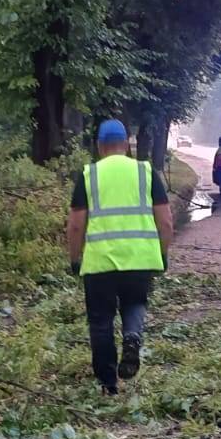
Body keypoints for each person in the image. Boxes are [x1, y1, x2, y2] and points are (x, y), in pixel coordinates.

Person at [65, 120, 174, 395]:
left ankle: (108, 384)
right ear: (126, 145)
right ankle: (132, 337)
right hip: (139, 259)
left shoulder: (89, 175)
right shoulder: (145, 171)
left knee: (101, 321)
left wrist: (75, 259)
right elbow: (165, 221)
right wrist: (163, 253)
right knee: (135, 302)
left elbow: (76, 225)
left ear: (99, 147)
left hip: (100, 263)